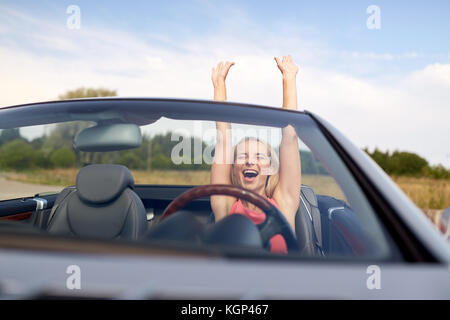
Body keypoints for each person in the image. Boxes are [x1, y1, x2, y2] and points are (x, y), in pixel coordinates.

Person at [210, 56, 301, 254]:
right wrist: (219, 86)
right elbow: (223, 139)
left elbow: (290, 136)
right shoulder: (225, 204)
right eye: (242, 156)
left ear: (271, 167)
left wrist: (289, 79)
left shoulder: (283, 202)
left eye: (259, 157)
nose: (250, 161)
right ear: (233, 166)